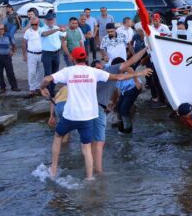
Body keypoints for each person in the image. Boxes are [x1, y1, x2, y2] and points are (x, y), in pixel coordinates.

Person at [40, 46, 152, 179]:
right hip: (90, 113)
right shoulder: (98, 72)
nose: (99, 65)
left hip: (71, 113)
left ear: (72, 58)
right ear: (86, 59)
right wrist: (138, 73)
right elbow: (120, 75)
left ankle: (53, 170)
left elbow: (47, 79)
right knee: (91, 145)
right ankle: (92, 176)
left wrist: (42, 88)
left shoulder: (69, 71)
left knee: (60, 138)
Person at [40, 13, 66, 97]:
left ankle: (52, 90)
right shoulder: (42, 29)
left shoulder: (56, 28)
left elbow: (63, 37)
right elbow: (44, 34)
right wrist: (58, 30)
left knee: (55, 73)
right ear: (45, 21)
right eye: (49, 20)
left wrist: (64, 31)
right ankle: (49, 91)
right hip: (47, 53)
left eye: (52, 19)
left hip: (56, 53)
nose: (51, 21)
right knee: (48, 73)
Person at [22, 17, 44, 96]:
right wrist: (24, 55)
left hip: (41, 54)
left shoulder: (42, 30)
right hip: (31, 54)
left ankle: (39, 87)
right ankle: (32, 88)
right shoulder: (28, 31)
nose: (34, 26)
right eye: (32, 24)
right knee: (31, 72)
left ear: (38, 23)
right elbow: (24, 43)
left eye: (36, 24)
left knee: (40, 72)